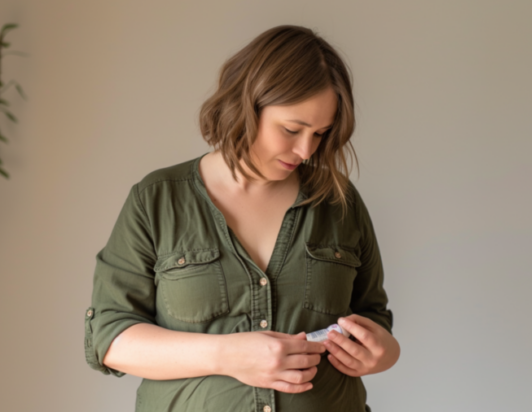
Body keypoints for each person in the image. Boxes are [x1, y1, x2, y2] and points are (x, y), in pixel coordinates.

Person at [84, 24, 400, 412]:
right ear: (247, 104)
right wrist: (227, 354)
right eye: (291, 129)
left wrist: (382, 353)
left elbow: (372, 316)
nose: (305, 149)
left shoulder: (339, 202)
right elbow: (110, 337)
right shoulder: (158, 199)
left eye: (320, 134)